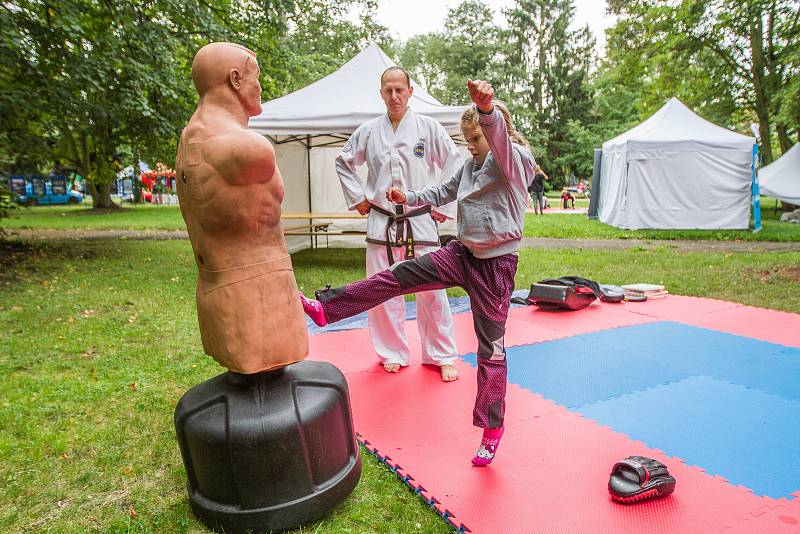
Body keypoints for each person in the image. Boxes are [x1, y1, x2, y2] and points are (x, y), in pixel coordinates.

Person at [301, 79, 536, 466]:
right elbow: (441, 192)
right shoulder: (470, 166)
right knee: (399, 275)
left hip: (496, 265)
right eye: (467, 139)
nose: (471, 146)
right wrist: (408, 197)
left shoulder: (515, 159)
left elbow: (499, 144)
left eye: (476, 138)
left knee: (491, 348)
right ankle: (327, 309)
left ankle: (492, 430)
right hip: (462, 253)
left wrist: (488, 112)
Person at [175, 42, 308, 374]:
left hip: (216, 292)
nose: (260, 87)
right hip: (259, 297)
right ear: (235, 79)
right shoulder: (247, 148)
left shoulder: (190, 139)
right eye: (256, 77)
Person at [333, 66, 462, 382]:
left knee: (432, 290)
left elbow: (454, 164)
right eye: (388, 90)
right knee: (382, 289)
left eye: (399, 89)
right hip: (382, 222)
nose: (394, 96)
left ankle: (441, 354)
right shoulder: (368, 131)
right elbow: (344, 161)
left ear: (410, 90)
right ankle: (392, 352)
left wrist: (443, 206)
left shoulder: (428, 128)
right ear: (381, 94)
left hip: (419, 220)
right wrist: (358, 198)